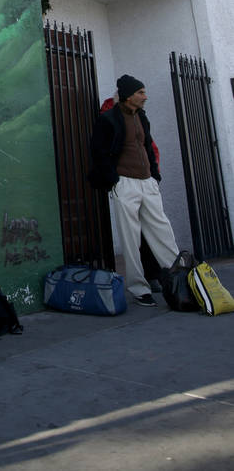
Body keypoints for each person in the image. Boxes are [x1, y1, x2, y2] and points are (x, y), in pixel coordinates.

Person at [88, 74, 179, 307]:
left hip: (147, 181)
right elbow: (98, 153)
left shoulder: (142, 117)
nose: (144, 96)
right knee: (130, 237)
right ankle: (139, 288)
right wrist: (114, 180)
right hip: (124, 183)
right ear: (128, 96)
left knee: (162, 230)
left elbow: (147, 146)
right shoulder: (108, 119)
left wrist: (154, 175)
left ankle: (180, 277)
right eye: (140, 92)